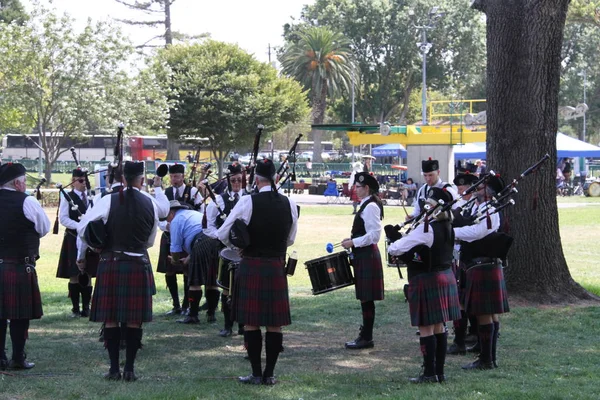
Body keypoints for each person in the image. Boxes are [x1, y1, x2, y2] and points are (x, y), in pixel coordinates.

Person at [78, 161, 169, 381]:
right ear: (140, 179)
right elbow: (149, 241)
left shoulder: (107, 199)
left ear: (123, 178)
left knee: (110, 317)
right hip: (138, 263)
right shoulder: (150, 202)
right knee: (134, 319)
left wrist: (96, 245)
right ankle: (129, 369)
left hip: (111, 262)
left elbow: (83, 228)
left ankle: (112, 369)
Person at [217, 158, 298, 386]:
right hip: (275, 267)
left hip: (251, 264)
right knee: (274, 323)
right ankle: (269, 374)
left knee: (251, 321)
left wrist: (239, 247)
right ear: (276, 178)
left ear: (255, 179)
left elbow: (223, 233)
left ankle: (255, 373)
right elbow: (290, 239)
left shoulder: (247, 202)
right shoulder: (289, 203)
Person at [388, 187, 461, 383]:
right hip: (445, 275)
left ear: (432, 206)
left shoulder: (427, 228)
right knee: (439, 326)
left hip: (428, 279)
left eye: (428, 204)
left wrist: (395, 240)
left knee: (426, 326)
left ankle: (429, 373)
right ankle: (439, 372)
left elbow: (395, 248)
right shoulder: (448, 225)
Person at [454, 174, 510, 371]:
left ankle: (486, 359)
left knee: (486, 314)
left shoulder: (490, 209)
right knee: (489, 314)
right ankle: (487, 356)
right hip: (482, 265)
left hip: (484, 265)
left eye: (481, 187)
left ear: (488, 191)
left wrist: (452, 233)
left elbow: (479, 232)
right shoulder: (481, 207)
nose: (476, 189)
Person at [0, 162, 51, 370]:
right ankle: (18, 358)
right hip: (19, 266)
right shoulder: (27, 201)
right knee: (19, 316)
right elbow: (44, 228)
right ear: (18, 183)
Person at [340, 172, 384, 350]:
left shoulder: (371, 206)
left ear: (366, 188)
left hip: (367, 254)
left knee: (367, 298)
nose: (355, 189)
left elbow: (375, 235)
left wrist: (353, 242)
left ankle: (367, 337)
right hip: (363, 254)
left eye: (358, 187)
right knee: (365, 298)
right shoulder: (366, 204)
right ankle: (366, 335)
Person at [201, 162, 245, 336]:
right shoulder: (218, 200)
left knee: (243, 290)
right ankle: (228, 326)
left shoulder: (249, 198)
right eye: (233, 180)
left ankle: (242, 326)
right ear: (227, 180)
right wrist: (222, 236)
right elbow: (207, 226)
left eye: (239, 180)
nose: (236, 184)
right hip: (224, 250)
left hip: (245, 252)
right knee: (226, 289)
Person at [157, 164, 202, 317]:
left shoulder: (193, 192)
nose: (174, 179)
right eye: (172, 176)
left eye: (177, 176)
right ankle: (175, 304)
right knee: (169, 271)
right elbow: (160, 214)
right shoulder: (166, 193)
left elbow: (201, 212)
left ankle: (186, 305)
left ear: (183, 176)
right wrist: (166, 226)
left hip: (188, 235)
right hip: (169, 234)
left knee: (187, 269)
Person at [55, 168, 97, 318]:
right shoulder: (67, 196)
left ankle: (87, 307)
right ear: (73, 181)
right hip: (73, 237)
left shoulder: (92, 196)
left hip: (89, 239)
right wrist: (80, 225)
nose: (83, 183)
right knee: (74, 273)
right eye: (80, 180)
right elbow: (64, 219)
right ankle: (75, 308)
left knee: (89, 273)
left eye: (85, 180)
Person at [447, 172, 479, 356]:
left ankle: (471, 335)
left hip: (474, 258)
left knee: (470, 300)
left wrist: (454, 232)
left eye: (465, 189)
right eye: (459, 189)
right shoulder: (463, 206)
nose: (462, 192)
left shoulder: (477, 207)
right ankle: (462, 337)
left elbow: (475, 230)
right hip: (464, 257)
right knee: (463, 299)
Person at [163, 200, 204, 323]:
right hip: (210, 241)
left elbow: (175, 249)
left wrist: (175, 261)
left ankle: (193, 315)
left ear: (171, 213)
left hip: (200, 243)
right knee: (211, 281)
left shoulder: (176, 220)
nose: (167, 221)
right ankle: (211, 314)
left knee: (194, 282)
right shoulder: (191, 214)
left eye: (166, 217)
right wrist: (188, 258)